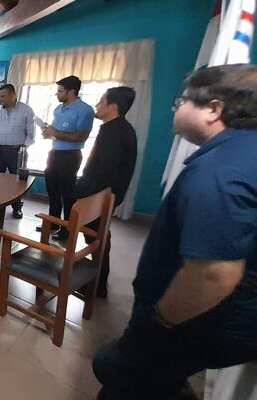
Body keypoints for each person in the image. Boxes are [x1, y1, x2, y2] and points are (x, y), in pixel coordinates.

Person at [92, 64, 257, 400]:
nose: (176, 107)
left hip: (197, 320)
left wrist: (163, 318)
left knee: (117, 371)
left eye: (182, 101)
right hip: (229, 319)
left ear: (213, 109)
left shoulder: (218, 173)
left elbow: (215, 273)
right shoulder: (244, 151)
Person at [71, 87, 137, 298]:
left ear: (113, 107)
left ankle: (97, 282)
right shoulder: (119, 128)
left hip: (100, 196)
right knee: (98, 237)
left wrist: (81, 193)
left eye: (101, 102)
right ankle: (98, 279)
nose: (97, 106)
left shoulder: (113, 132)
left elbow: (105, 172)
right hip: (105, 195)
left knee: (97, 238)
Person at [40, 76, 95, 240]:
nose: (57, 94)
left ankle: (67, 228)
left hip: (70, 156)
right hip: (54, 153)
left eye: (60, 91)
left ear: (71, 92)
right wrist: (48, 132)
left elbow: (81, 137)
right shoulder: (59, 109)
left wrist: (55, 132)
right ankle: (53, 222)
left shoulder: (85, 110)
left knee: (67, 194)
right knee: (52, 190)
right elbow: (57, 132)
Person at [0, 84, 35, 218]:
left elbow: (31, 134)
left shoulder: (26, 110)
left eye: (3, 96)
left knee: (17, 183)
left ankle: (16, 207)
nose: (0, 99)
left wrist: (23, 148)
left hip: (17, 151)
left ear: (13, 96)